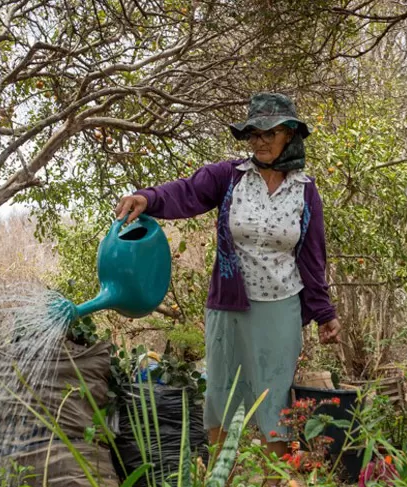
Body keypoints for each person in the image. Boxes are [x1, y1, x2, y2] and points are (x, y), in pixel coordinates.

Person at [115, 92, 341, 458]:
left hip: (281, 305)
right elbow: (186, 193)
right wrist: (148, 199)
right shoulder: (228, 177)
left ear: (290, 135)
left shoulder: (305, 191)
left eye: (269, 133)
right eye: (253, 134)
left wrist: (324, 312)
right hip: (229, 305)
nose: (260, 141)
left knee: (275, 396)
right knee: (222, 392)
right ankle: (221, 485)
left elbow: (313, 258)